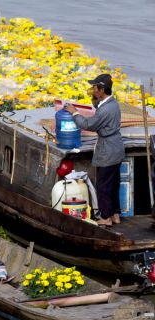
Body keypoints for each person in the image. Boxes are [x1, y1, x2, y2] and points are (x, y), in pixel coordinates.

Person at [64, 73, 125, 226]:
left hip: (108, 151)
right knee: (114, 184)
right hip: (116, 148)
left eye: (95, 87)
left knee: (103, 186)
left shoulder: (105, 110)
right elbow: (99, 107)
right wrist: (94, 100)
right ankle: (115, 214)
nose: (93, 90)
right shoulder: (112, 103)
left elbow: (88, 125)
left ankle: (105, 217)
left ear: (102, 89)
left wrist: (74, 112)